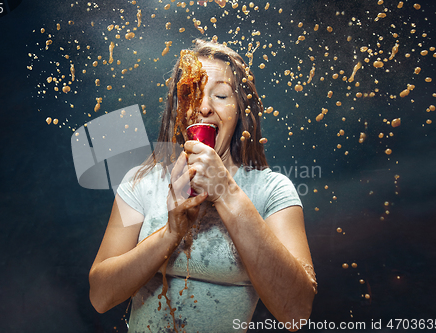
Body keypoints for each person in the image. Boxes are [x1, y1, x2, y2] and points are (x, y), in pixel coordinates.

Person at [89, 39, 317, 332]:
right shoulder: (141, 182)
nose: (204, 107)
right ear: (178, 108)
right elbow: (100, 296)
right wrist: (171, 232)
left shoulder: (271, 191)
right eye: (192, 94)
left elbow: (296, 311)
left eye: (221, 95)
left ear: (241, 111)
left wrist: (225, 190)